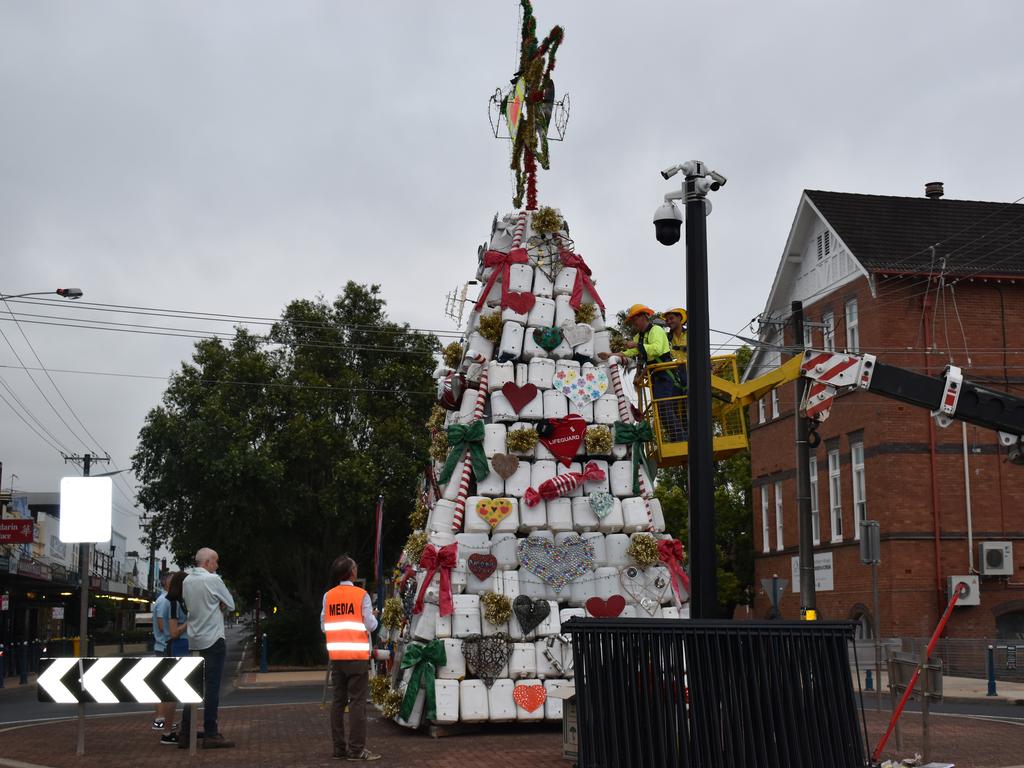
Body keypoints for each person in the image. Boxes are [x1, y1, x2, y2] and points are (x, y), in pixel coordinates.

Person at [321, 555, 380, 762]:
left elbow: (323, 625)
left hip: (337, 656)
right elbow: (371, 625)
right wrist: (373, 614)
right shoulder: (361, 595)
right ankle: (356, 750)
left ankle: (339, 749)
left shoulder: (328, 596)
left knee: (338, 702)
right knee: (357, 703)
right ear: (352, 573)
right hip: (356, 656)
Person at [603, 304, 687, 441]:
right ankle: (678, 438)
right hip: (656, 376)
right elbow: (630, 353)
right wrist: (611, 354)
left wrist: (637, 345)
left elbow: (657, 349)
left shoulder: (656, 330)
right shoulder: (639, 337)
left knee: (666, 407)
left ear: (643, 317)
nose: (633, 324)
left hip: (666, 374)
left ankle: (681, 439)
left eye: (634, 320)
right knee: (663, 409)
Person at [179, 548, 235, 750]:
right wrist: (217, 602)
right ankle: (211, 732)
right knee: (212, 688)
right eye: (216, 561)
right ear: (208, 562)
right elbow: (230, 603)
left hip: (194, 639)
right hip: (213, 639)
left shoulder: (187, 581)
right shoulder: (213, 580)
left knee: (192, 687)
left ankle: (185, 732)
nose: (217, 565)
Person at [159, 571, 190, 746]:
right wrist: (191, 622)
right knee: (174, 692)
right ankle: (167, 732)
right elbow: (174, 632)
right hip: (177, 646)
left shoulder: (178, 602)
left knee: (178, 692)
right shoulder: (173, 603)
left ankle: (175, 729)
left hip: (180, 647)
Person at [151, 571, 175, 733]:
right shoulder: (164, 600)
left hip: (163, 646)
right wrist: (174, 631)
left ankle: (163, 719)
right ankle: (162, 719)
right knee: (166, 687)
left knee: (163, 685)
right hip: (164, 646)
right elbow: (161, 624)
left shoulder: (165, 599)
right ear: (166, 583)